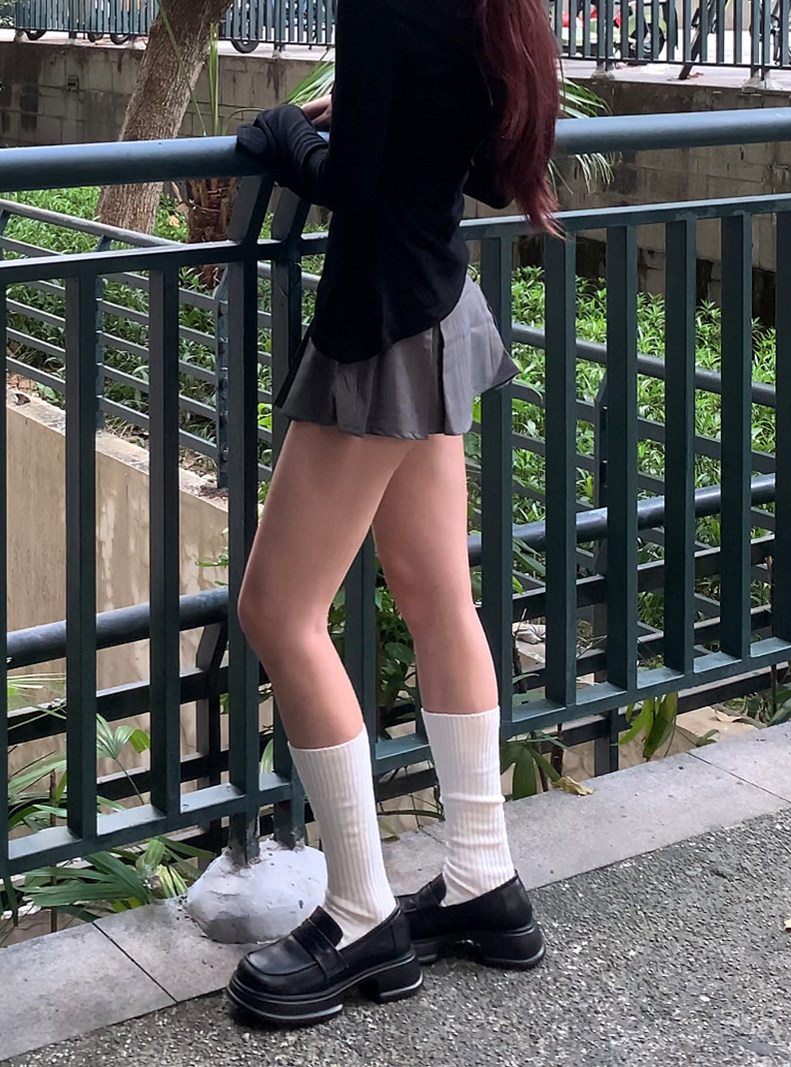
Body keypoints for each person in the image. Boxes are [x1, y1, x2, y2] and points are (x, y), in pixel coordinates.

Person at [227, 0, 560, 1028]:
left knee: (278, 612)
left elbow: (357, 189)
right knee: (437, 594)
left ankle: (360, 912)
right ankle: (482, 878)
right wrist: (370, 112)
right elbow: (480, 164)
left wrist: (286, 134)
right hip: (438, 307)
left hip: (378, 330)